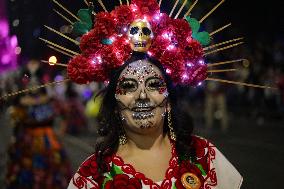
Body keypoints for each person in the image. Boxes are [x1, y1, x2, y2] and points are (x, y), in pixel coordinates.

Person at [67, 54, 243, 189]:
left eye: (153, 85)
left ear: (167, 103)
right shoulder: (92, 175)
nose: (142, 95)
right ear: (115, 106)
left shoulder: (204, 155)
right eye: (129, 86)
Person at [5, 59, 72, 189]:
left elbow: (65, 112)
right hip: (26, 139)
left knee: (50, 167)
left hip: (47, 138)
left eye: (37, 76)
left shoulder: (49, 99)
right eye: (29, 77)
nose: (33, 82)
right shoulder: (20, 100)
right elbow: (15, 120)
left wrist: (62, 130)